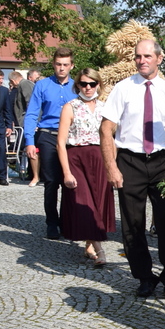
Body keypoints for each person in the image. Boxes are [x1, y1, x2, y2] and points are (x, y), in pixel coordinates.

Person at [100, 39, 165, 298]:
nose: (142, 60)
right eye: (138, 56)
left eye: (147, 56)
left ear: (159, 58)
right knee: (132, 223)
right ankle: (144, 277)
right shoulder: (123, 88)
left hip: (161, 161)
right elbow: (106, 129)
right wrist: (111, 167)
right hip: (130, 161)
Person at [56, 67, 114, 266]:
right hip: (76, 159)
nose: (88, 87)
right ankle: (100, 251)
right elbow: (60, 142)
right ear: (77, 85)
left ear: (98, 84)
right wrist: (66, 172)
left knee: (98, 204)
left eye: (92, 83)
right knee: (84, 203)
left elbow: (111, 138)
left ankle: (90, 245)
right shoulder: (70, 107)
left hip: (100, 158)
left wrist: (113, 165)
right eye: (83, 84)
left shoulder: (106, 108)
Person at [25, 49, 77, 237]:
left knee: (70, 181)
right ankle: (52, 223)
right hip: (48, 135)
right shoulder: (42, 85)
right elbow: (32, 113)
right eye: (58, 64)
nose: (61, 68)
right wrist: (29, 141)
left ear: (71, 66)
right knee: (51, 181)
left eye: (65, 65)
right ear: (54, 64)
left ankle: (67, 221)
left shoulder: (77, 86)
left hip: (70, 137)